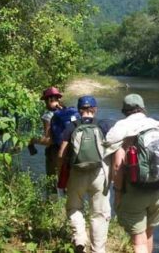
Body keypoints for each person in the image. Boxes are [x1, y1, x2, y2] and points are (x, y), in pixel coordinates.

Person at [105, 94, 159, 253]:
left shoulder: (122, 127)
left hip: (136, 191)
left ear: (125, 111)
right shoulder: (158, 125)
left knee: (138, 241)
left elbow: (117, 166)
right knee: (149, 234)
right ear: (143, 108)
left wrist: (118, 193)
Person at [57, 95, 114, 253]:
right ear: (95, 109)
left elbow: (61, 154)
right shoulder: (103, 125)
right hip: (99, 173)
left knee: (74, 207)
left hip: (77, 173)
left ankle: (80, 239)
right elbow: (111, 151)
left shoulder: (71, 126)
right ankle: (98, 250)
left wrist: (60, 173)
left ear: (79, 109)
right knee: (100, 214)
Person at [29, 86, 64, 176]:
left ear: (49, 100)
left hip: (55, 153)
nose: (45, 104)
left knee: (52, 182)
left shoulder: (47, 115)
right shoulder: (67, 111)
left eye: (45, 101)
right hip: (69, 151)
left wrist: (32, 141)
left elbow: (49, 140)